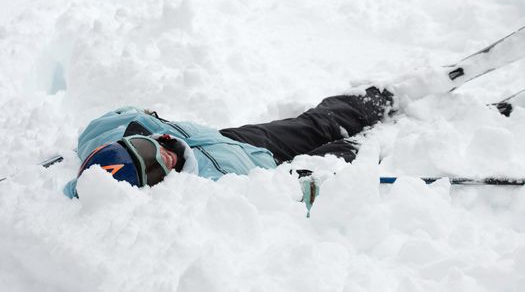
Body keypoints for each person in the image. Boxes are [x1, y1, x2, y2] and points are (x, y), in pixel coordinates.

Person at [64, 87, 393, 198]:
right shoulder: (200, 195)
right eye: (154, 171)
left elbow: (100, 128)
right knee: (337, 156)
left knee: (314, 124)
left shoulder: (130, 132)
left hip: (234, 141)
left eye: (147, 148)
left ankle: (386, 97)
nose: (163, 156)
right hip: (264, 175)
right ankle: (385, 136)